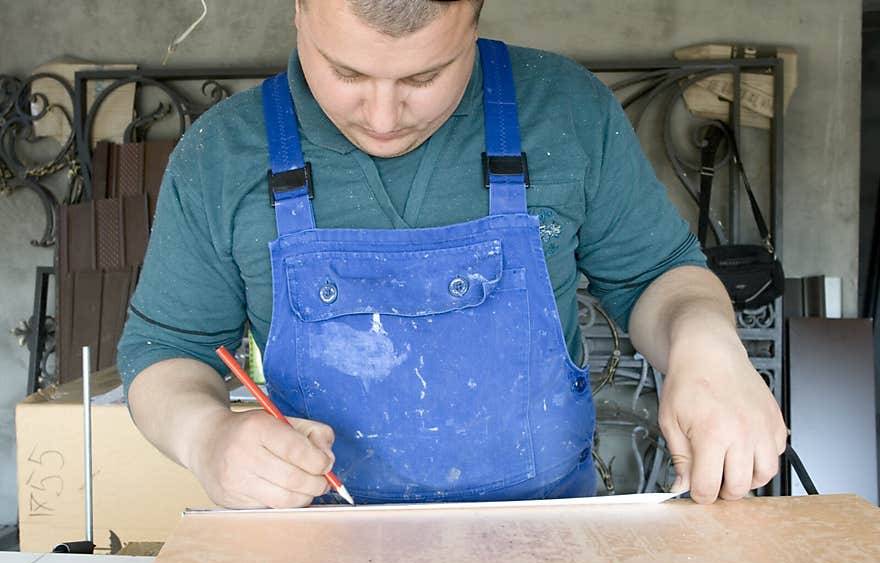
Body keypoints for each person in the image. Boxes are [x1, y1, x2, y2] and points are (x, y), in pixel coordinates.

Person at [118, 0, 787, 509]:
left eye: (425, 75)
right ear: (298, 12)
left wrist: (707, 344)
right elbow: (164, 352)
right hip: (318, 561)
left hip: (550, 550)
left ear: (473, 18)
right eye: (346, 71)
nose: (382, 116)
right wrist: (207, 437)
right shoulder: (222, 155)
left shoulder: (566, 112)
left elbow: (657, 278)